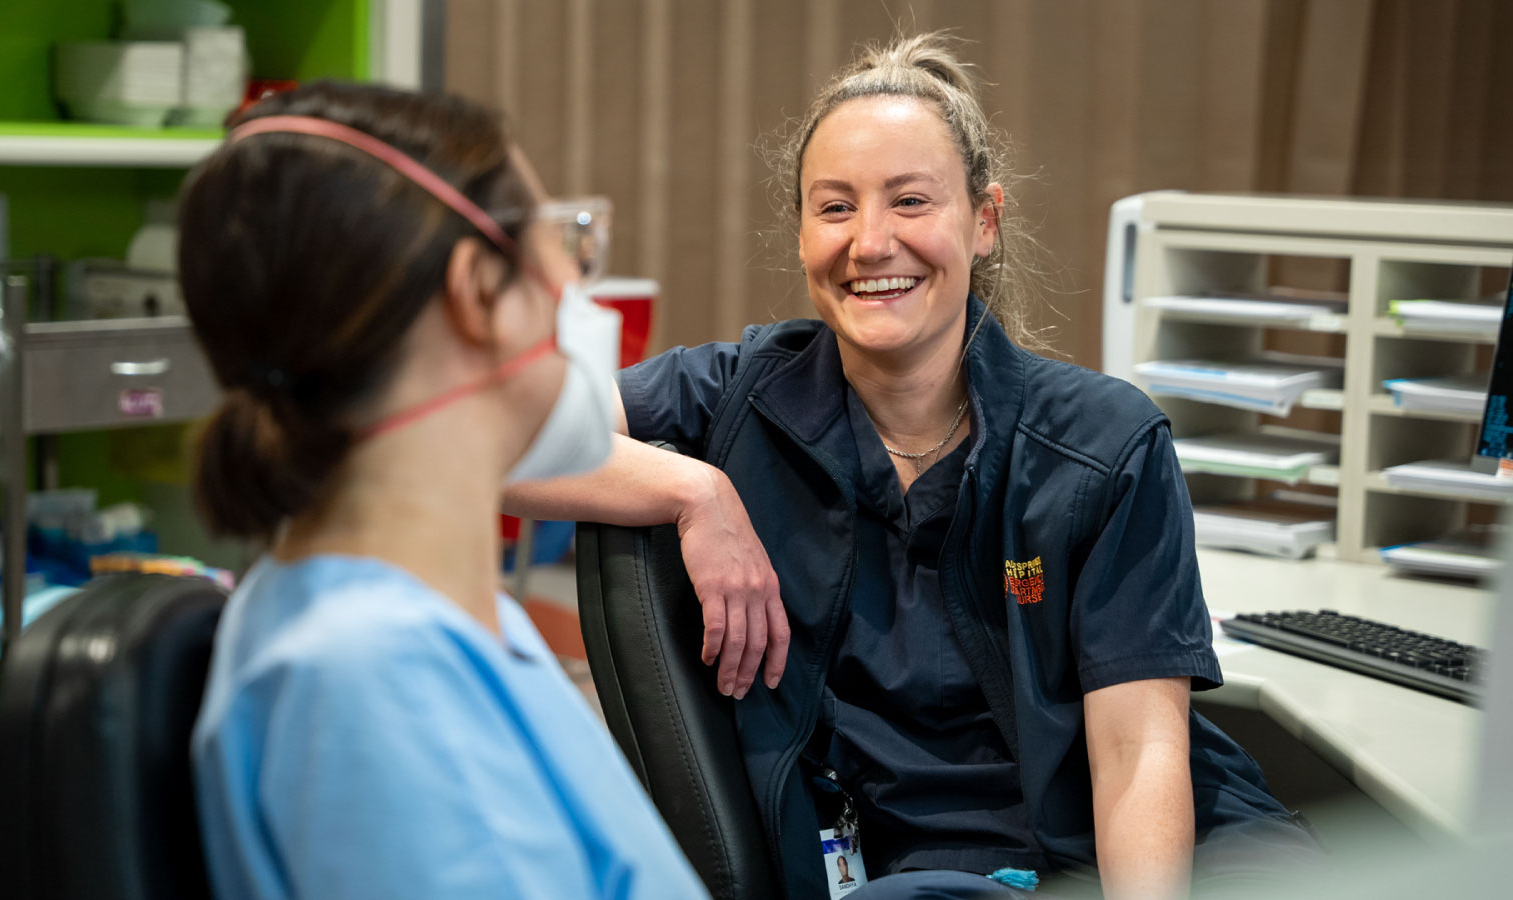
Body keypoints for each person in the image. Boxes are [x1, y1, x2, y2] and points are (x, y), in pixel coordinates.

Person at [507, 32, 1323, 900]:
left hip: (1146, 860)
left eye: (910, 201)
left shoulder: (1103, 447)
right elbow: (482, 437)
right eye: (834, 207)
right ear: (800, 233)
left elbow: (1136, 754)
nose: (870, 242)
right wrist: (692, 488)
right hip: (921, 877)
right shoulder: (740, 395)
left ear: (984, 220)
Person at [180, 82, 709, 899]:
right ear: (476, 290)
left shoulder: (440, 613)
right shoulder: (367, 688)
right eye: (565, 250)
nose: (579, 295)